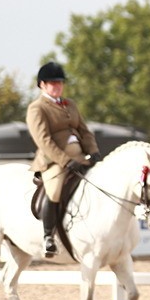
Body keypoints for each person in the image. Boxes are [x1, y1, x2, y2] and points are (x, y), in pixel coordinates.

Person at [27, 62, 100, 258]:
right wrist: (65, 161)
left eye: (60, 82)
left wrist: (93, 151)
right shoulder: (37, 108)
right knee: (55, 189)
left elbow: (84, 130)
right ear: (42, 84)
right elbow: (43, 141)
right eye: (53, 83)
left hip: (80, 156)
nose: (58, 86)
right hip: (54, 160)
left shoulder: (70, 104)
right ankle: (48, 236)